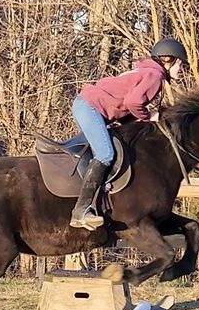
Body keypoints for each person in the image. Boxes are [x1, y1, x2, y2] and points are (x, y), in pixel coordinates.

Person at [69, 37, 188, 229]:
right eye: (181, 65)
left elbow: (125, 105)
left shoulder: (147, 72)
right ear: (168, 60)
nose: (182, 71)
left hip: (88, 106)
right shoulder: (155, 77)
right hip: (90, 108)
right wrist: (149, 116)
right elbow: (134, 103)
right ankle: (81, 211)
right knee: (106, 154)